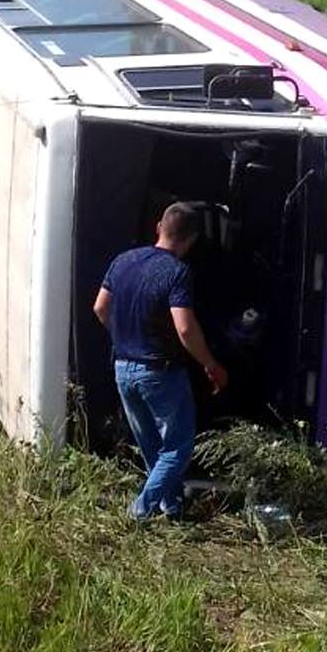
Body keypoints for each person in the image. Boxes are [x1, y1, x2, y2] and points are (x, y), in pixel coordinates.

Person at [93, 202, 229, 522]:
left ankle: (172, 506)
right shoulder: (177, 272)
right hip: (159, 371)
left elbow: (100, 308)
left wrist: (126, 336)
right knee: (178, 447)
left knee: (152, 446)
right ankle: (140, 511)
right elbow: (184, 327)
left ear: (159, 227)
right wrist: (210, 364)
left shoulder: (123, 260)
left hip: (122, 368)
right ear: (191, 239)